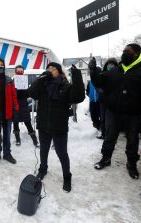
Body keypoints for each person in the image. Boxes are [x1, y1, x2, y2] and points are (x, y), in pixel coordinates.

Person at [89, 43, 141, 180]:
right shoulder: (116, 70)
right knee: (109, 137)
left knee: (132, 141)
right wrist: (92, 70)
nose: (124, 53)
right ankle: (106, 158)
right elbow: (99, 81)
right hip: (113, 112)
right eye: (123, 51)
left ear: (136, 54)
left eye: (127, 51)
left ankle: (132, 164)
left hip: (134, 114)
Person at [28, 62, 85, 192]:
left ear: (59, 71)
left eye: (53, 68)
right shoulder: (42, 86)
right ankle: (43, 169)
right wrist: (40, 78)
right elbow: (31, 92)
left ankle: (67, 177)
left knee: (62, 153)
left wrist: (76, 75)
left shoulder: (65, 86)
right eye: (48, 68)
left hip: (59, 126)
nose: (50, 70)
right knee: (44, 150)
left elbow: (79, 96)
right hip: (43, 125)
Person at [12, 65, 39, 147]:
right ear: (15, 72)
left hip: (24, 104)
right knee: (15, 122)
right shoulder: (12, 81)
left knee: (28, 122)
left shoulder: (25, 81)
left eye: (21, 71)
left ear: (23, 72)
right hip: (15, 104)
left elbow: (28, 94)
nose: (20, 72)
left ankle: (35, 140)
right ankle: (17, 139)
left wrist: (28, 91)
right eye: (18, 71)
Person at [97, 58, 119, 139]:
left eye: (112, 64)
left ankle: (111, 135)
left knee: (112, 119)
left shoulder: (119, 75)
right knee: (103, 118)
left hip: (114, 101)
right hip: (103, 100)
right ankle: (104, 134)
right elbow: (97, 85)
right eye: (109, 64)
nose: (110, 66)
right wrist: (100, 90)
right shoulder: (102, 74)